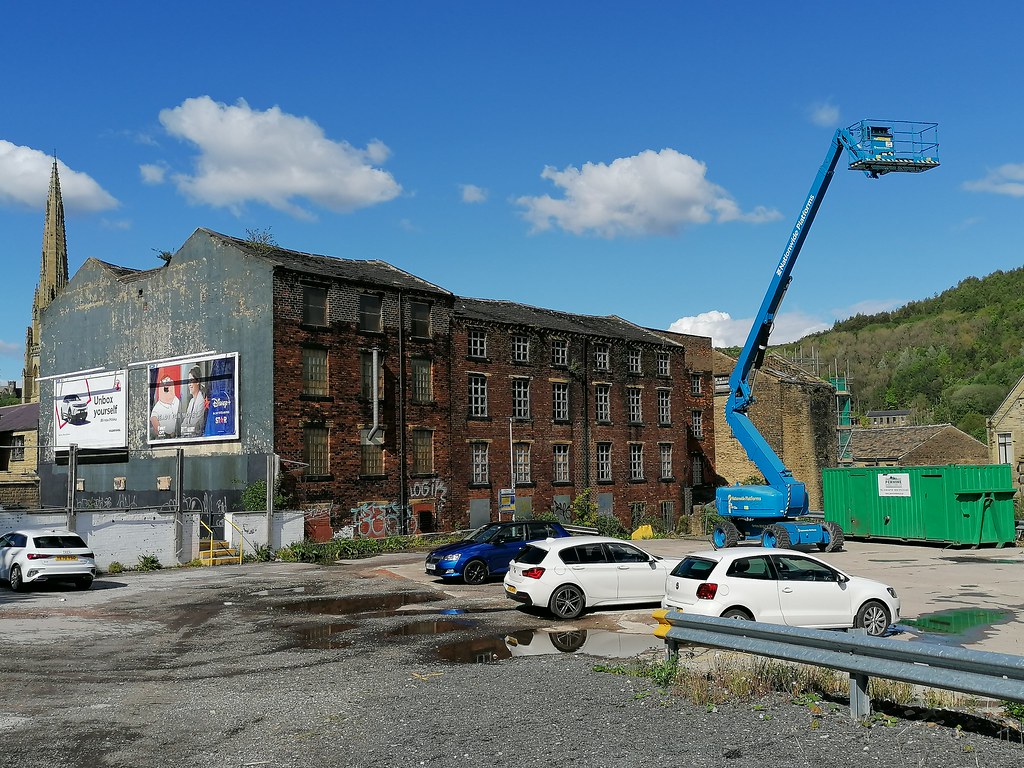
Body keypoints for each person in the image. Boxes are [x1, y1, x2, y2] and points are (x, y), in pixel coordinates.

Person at [150, 372, 180, 439]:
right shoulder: (158, 407)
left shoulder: (178, 402)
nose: (167, 388)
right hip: (164, 438)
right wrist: (164, 434)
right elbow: (154, 419)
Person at [179, 365, 208, 437]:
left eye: (191, 381)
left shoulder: (201, 400)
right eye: (189, 381)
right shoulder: (191, 402)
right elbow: (183, 425)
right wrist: (185, 429)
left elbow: (195, 426)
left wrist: (185, 429)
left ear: (198, 382)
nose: (189, 385)